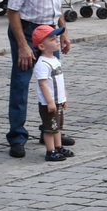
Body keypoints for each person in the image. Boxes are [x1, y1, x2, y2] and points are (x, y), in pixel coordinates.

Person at [6, 0, 70, 158]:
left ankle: (51, 131)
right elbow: (12, 10)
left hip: (50, 30)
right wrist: (23, 45)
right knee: (21, 83)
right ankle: (17, 136)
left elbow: (57, 4)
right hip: (27, 30)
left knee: (53, 83)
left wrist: (63, 31)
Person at [31, 24, 70, 163]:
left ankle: (58, 147)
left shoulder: (54, 60)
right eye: (52, 39)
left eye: (56, 38)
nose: (57, 41)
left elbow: (60, 80)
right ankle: (50, 151)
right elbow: (43, 84)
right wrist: (49, 101)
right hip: (49, 102)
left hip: (58, 100)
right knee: (49, 128)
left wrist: (63, 96)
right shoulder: (42, 63)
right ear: (42, 46)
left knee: (57, 126)